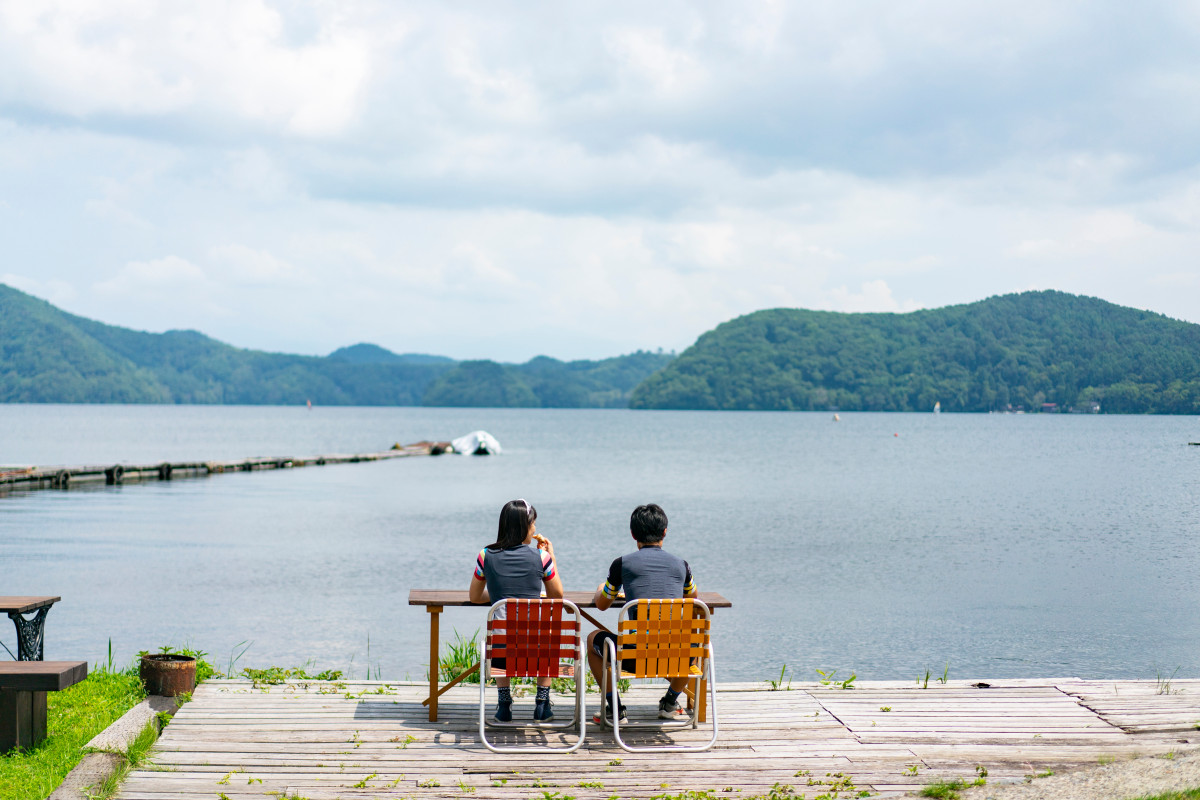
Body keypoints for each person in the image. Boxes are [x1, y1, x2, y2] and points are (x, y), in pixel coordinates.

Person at [586, 503, 697, 723]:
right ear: (665, 532)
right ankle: (670, 702)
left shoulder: (622, 565)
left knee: (591, 639)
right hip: (676, 657)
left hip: (635, 657)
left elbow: (602, 604)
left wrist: (602, 589)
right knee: (691, 641)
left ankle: (615, 709)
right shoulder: (682, 566)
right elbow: (692, 600)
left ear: (632, 534)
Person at [469, 498, 563, 722]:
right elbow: (557, 596)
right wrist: (552, 556)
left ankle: (504, 704)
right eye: (533, 524)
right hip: (537, 652)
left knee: (501, 634)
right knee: (548, 636)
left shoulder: (486, 555)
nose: (535, 529)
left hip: (501, 652)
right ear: (524, 526)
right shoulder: (542, 558)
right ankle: (542, 704)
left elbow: (474, 597)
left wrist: (501, 596)